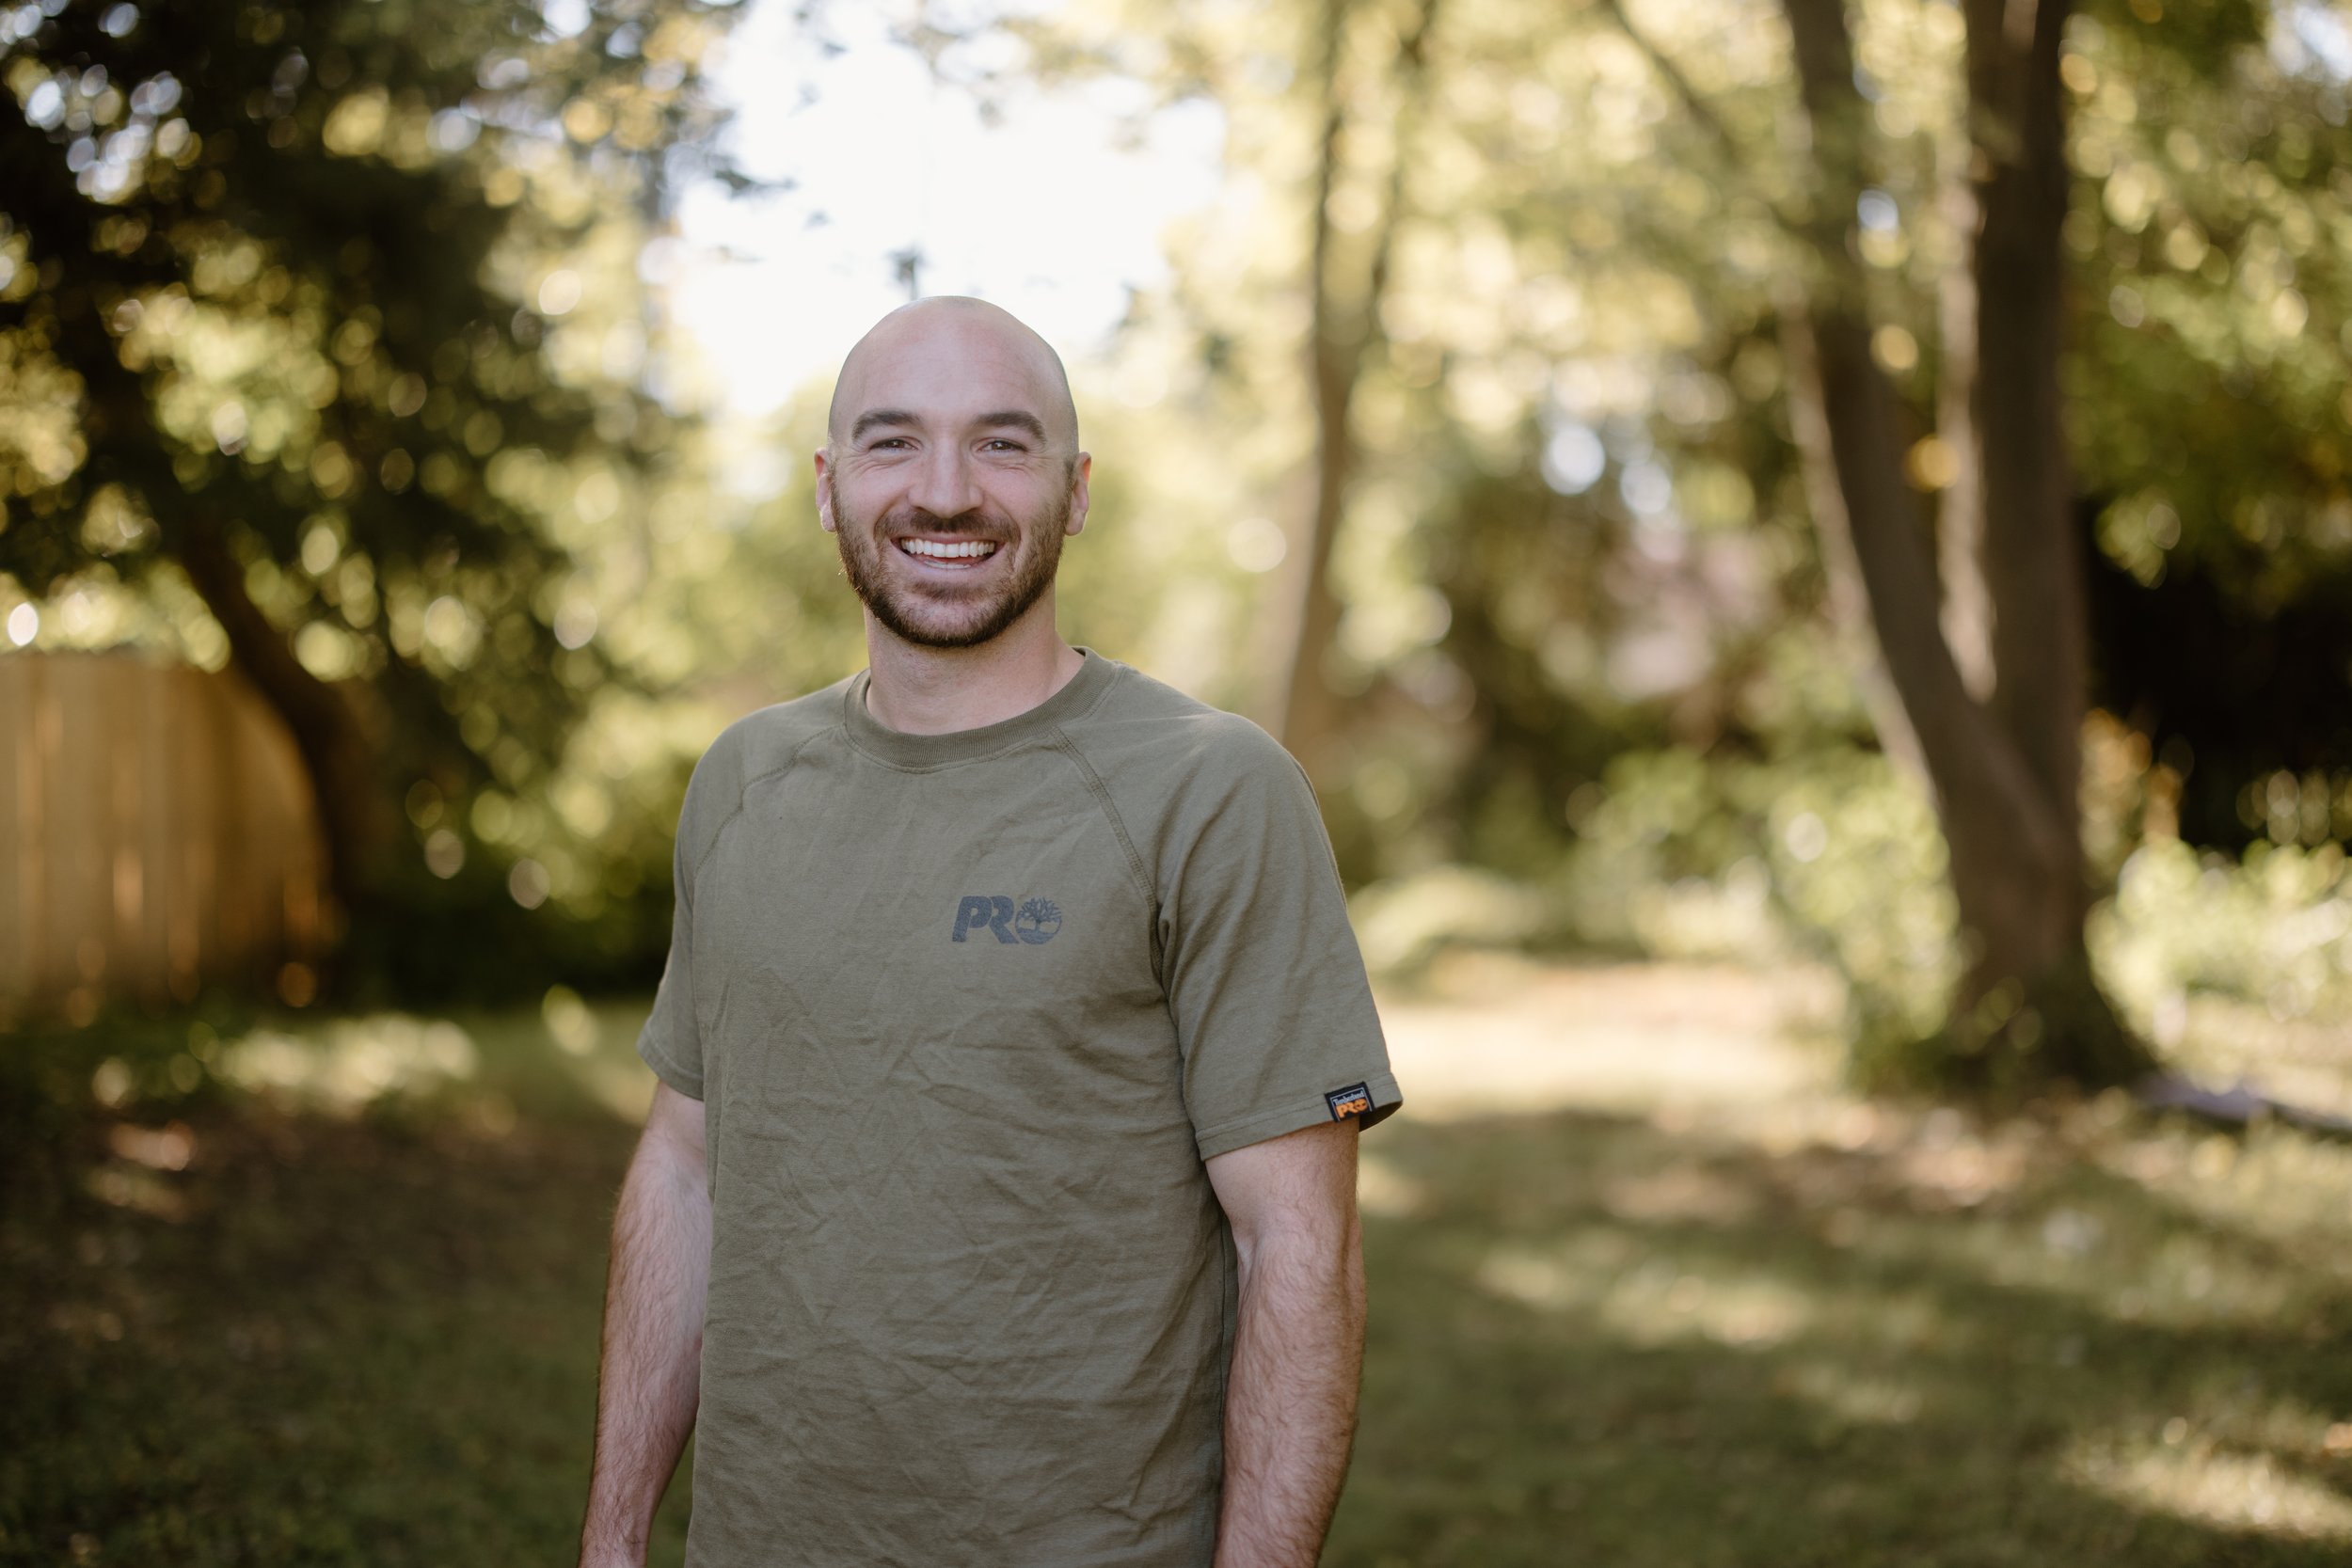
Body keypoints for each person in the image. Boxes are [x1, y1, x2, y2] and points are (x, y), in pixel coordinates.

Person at [577, 296, 1402, 1568]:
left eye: (1004, 446)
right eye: (893, 442)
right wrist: (614, 1539)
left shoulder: (1213, 790)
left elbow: (1299, 1242)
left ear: (1075, 492)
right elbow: (685, 1169)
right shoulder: (744, 783)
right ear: (829, 483)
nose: (945, 493)